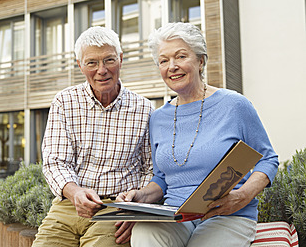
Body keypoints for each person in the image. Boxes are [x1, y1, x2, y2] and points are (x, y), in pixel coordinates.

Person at [117, 22, 279, 247]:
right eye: (164, 61)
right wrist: (140, 196)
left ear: (200, 61)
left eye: (181, 56)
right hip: (177, 215)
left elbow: (268, 159)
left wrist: (242, 196)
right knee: (145, 233)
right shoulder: (158, 118)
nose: (172, 66)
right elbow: (162, 178)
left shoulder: (234, 105)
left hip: (229, 215)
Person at [32, 26, 154, 247]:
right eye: (92, 63)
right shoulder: (64, 102)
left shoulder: (144, 108)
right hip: (69, 204)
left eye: (109, 60)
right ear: (80, 65)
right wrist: (75, 192)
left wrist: (136, 207)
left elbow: (151, 168)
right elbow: (55, 162)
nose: (102, 70)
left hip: (116, 210)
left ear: (121, 59)